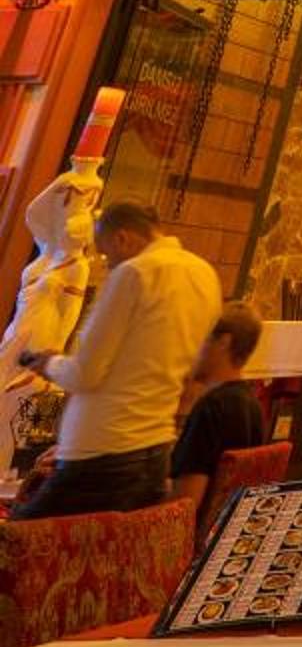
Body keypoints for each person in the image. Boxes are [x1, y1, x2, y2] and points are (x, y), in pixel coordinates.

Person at [11, 203, 221, 519]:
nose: (108, 264)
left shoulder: (134, 272)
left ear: (122, 238)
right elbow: (193, 367)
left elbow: (86, 374)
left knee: (18, 538)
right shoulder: (204, 274)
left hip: (104, 448)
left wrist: (49, 364)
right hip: (156, 446)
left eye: (107, 253)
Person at [168, 306, 267, 508]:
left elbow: (186, 502)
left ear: (223, 342)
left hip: (195, 524)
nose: (192, 351)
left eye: (200, 339)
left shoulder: (211, 408)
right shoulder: (252, 404)